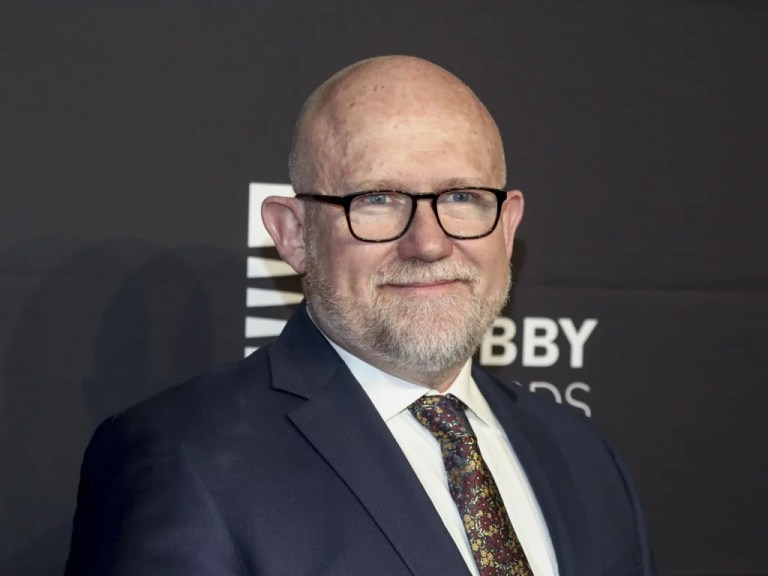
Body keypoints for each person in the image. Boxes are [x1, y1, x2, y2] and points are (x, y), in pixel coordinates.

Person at [65, 55, 656, 576]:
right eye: (376, 200)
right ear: (293, 234)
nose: (427, 243)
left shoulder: (582, 455)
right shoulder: (181, 457)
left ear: (507, 225)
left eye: (460, 197)